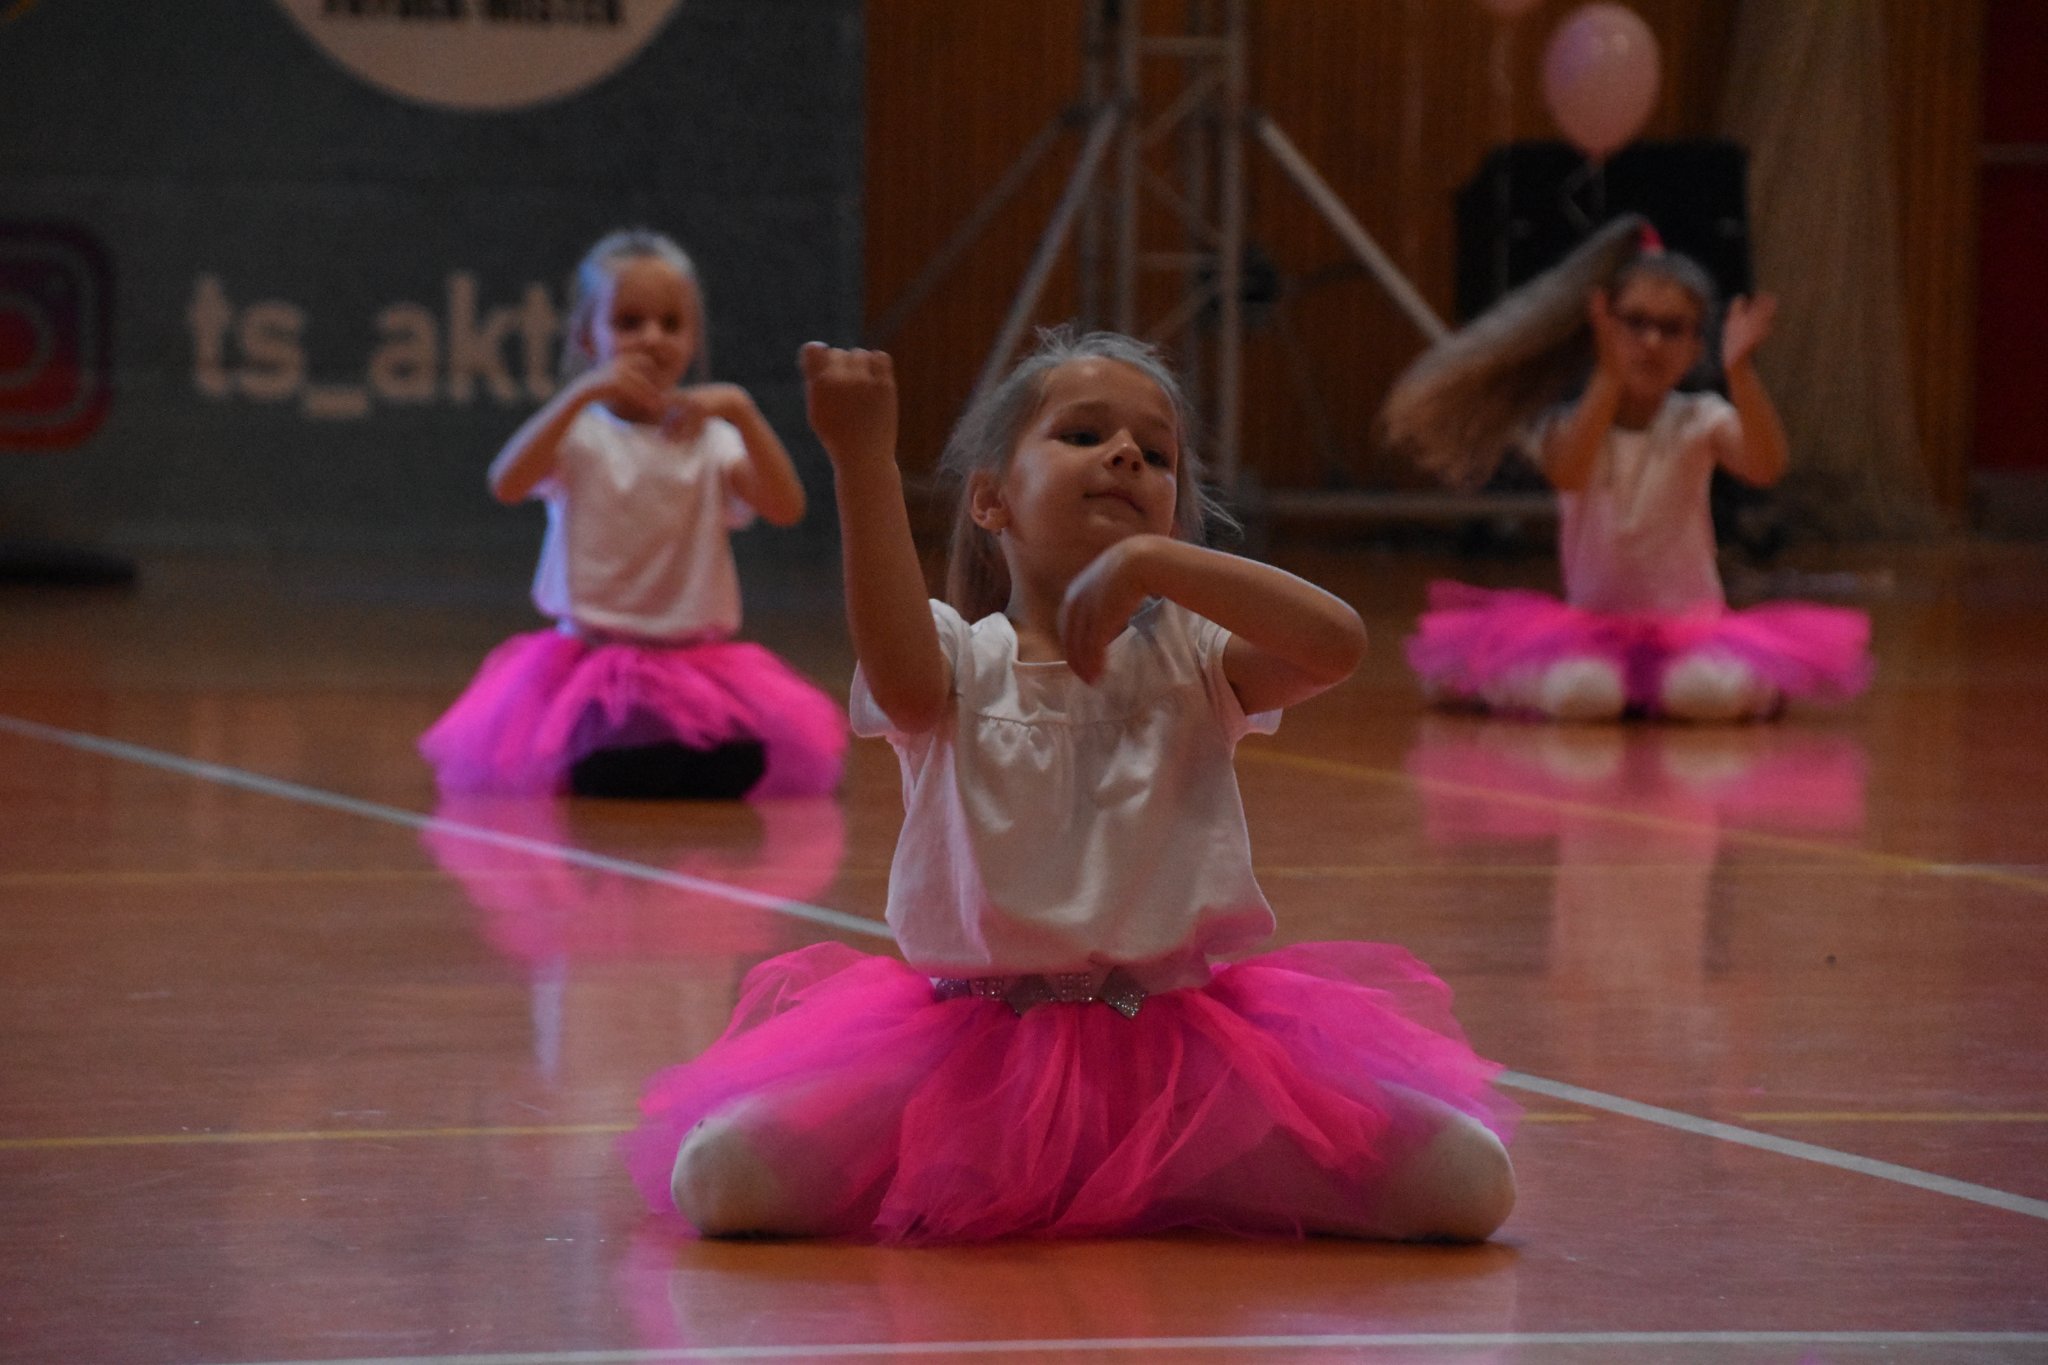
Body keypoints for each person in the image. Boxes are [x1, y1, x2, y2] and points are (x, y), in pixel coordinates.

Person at [621, 328, 1517, 1244]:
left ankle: (1153, 1168)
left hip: (1183, 1069)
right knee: (719, 1178)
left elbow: (1337, 644)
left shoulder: (1193, 656)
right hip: (969, 1068)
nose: (1125, 455)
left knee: (1470, 1181)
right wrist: (863, 460)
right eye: (1083, 435)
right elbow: (902, 681)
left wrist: (1152, 565)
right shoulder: (956, 656)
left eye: (1156, 455)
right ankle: (1094, 1176)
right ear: (991, 499)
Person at [1382, 215, 1873, 722]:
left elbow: (1766, 466)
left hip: (1692, 632)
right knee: (1586, 696)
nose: (1652, 342)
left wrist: (1741, 373)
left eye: (1672, 329)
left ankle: (1747, 686)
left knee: (1702, 695)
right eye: (1635, 323)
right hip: (1590, 631)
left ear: (1695, 348)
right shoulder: (1568, 424)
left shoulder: (1701, 420)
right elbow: (1570, 473)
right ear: (1603, 324)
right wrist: (1608, 374)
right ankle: (1495, 679)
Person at [419, 230, 846, 798]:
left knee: (729, 762)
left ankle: (661, 756)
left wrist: (744, 412)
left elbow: (786, 507)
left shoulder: (713, 441)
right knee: (615, 762)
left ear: (693, 339)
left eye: (671, 324)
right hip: (593, 663)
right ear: (587, 338)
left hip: (694, 665)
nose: (651, 338)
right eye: (628, 323)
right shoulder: (578, 436)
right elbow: (507, 483)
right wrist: (578, 395)